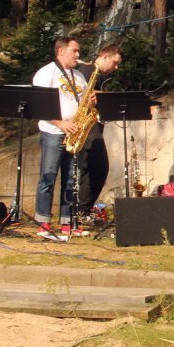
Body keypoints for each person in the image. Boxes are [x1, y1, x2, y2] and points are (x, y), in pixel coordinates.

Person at [32, 37, 91, 237]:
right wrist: (60, 123)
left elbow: (84, 104)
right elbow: (38, 106)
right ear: (61, 51)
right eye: (74, 51)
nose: (78, 55)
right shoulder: (46, 73)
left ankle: (68, 222)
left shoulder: (79, 76)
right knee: (48, 176)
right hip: (53, 131)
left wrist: (91, 101)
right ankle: (43, 223)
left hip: (75, 133)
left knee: (72, 179)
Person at [75, 43, 123, 222]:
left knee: (95, 168)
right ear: (104, 57)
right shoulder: (87, 71)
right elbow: (80, 93)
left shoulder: (97, 75)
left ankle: (84, 209)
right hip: (86, 127)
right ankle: (82, 210)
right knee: (96, 167)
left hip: (94, 124)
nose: (116, 68)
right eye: (115, 63)